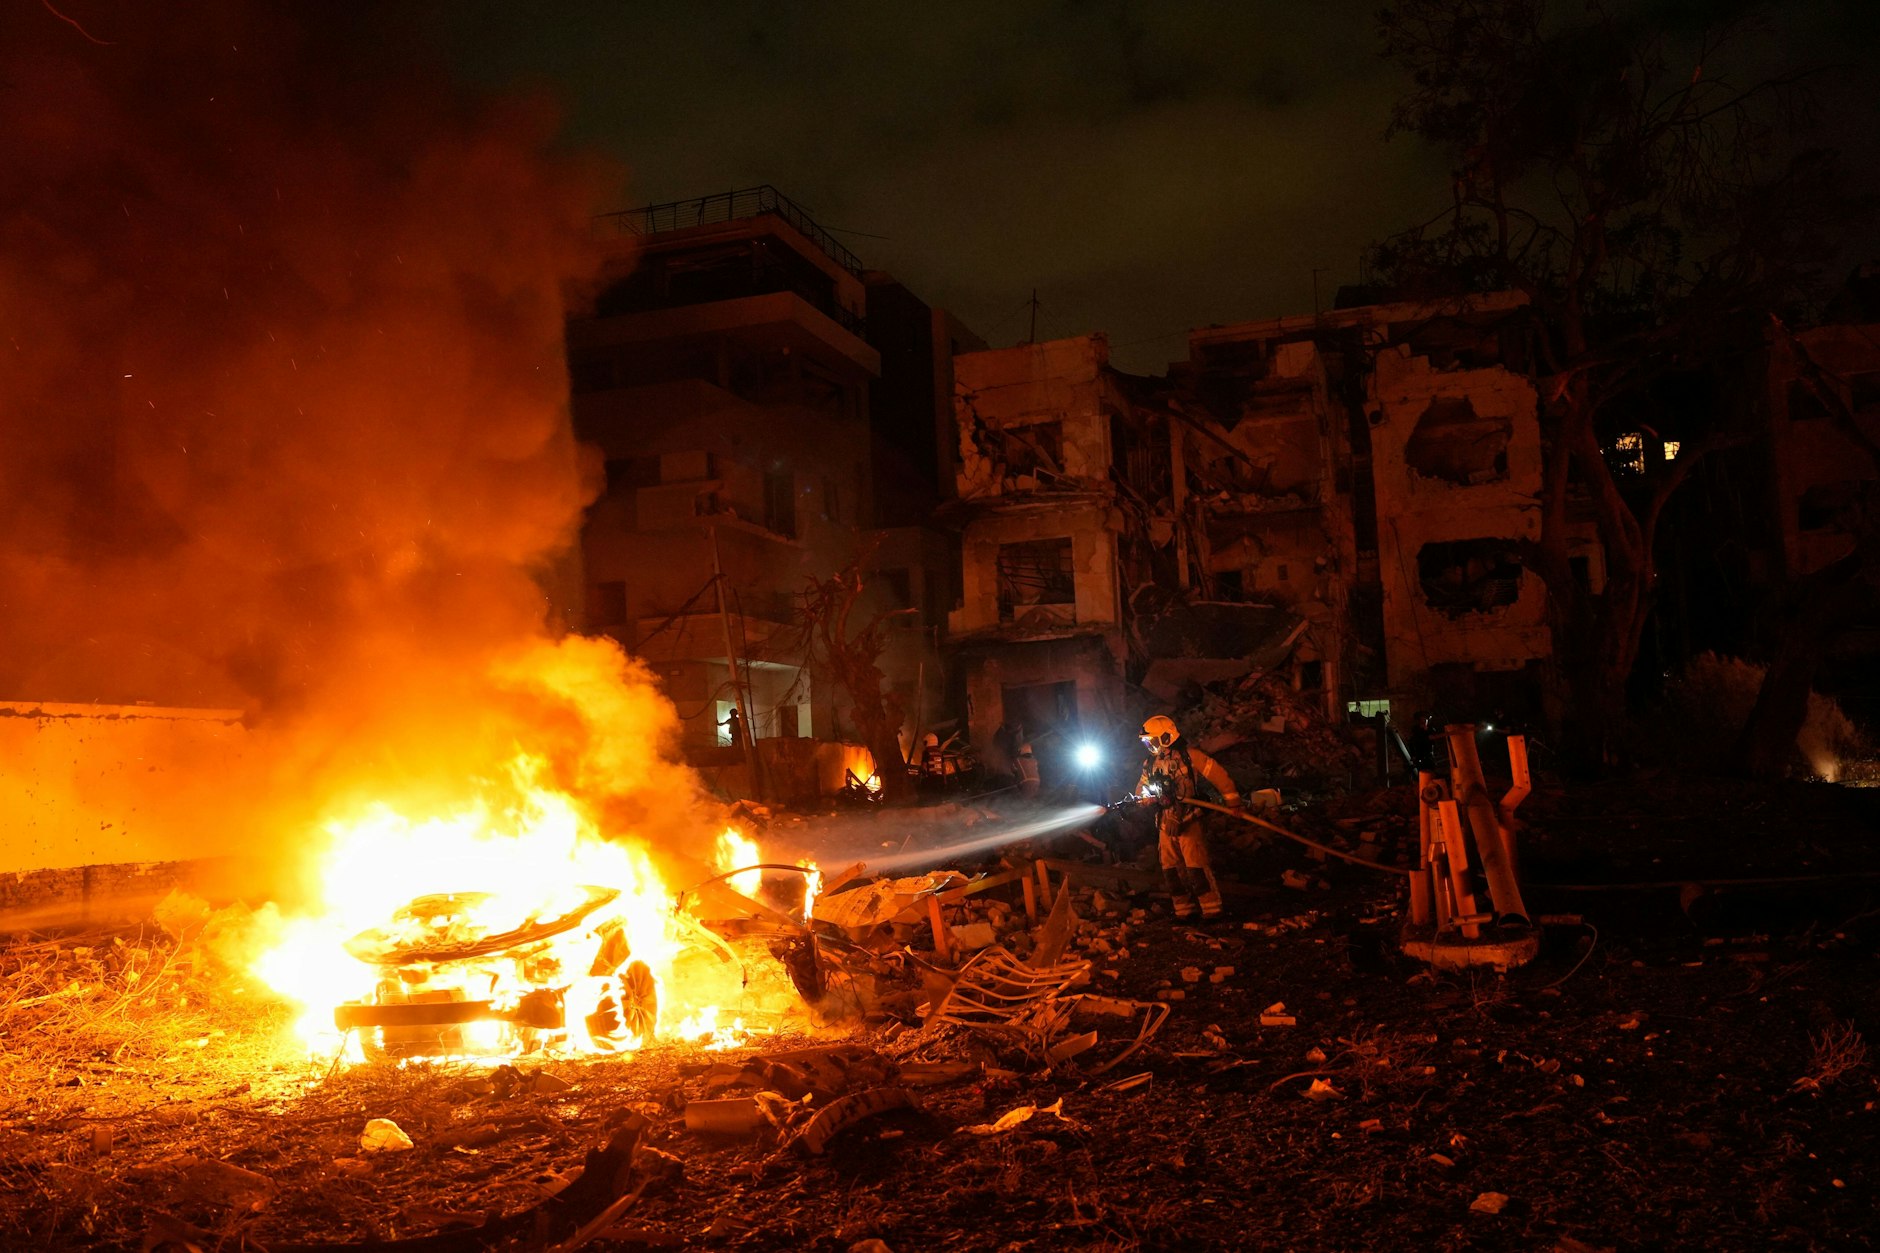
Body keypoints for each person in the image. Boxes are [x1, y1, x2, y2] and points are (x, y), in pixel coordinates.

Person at [1135, 715, 1243, 921]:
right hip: (1164, 821)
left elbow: (1218, 775)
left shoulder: (1190, 756)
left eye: (1152, 741)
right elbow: (1142, 786)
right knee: (1171, 869)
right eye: (1146, 742)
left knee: (1196, 866)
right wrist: (1143, 798)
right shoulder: (1150, 763)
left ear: (1166, 737)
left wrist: (1233, 801)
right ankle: (1184, 910)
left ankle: (1212, 910)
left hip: (1189, 818)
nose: (1150, 746)